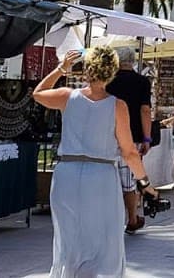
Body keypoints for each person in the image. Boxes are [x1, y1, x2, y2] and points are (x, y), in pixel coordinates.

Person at [34, 45, 155, 278]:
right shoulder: (117, 106)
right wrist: (145, 183)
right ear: (112, 72)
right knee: (105, 240)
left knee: (69, 240)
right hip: (101, 175)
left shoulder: (67, 97)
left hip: (67, 173)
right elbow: (129, 152)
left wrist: (61, 69)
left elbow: (39, 93)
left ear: (87, 69)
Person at [105, 48, 154, 232]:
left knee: (108, 177)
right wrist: (147, 137)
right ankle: (132, 219)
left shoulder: (108, 80)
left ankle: (108, 218)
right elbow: (145, 110)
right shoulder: (142, 82)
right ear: (133, 61)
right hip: (132, 136)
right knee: (129, 182)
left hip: (108, 134)